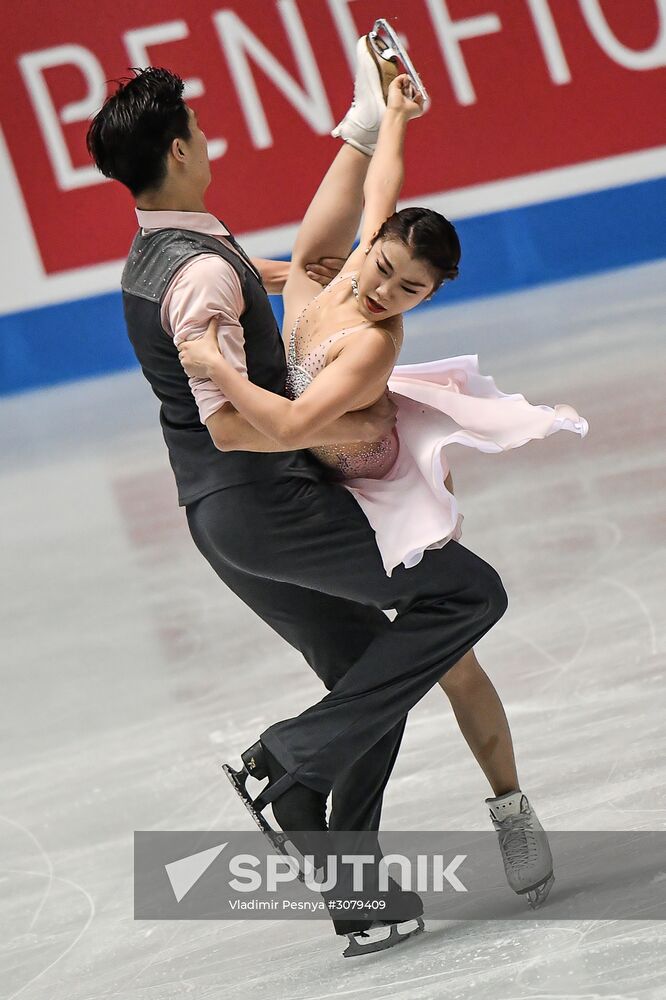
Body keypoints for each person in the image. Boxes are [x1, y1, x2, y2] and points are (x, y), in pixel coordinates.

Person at [86, 32, 543, 957]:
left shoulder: (165, 256)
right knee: (467, 595)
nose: (209, 138)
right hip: (266, 504)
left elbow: (363, 198)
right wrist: (341, 430)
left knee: (369, 678)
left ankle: (351, 881)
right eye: (200, 130)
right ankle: (288, 758)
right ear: (178, 150)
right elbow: (229, 423)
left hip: (225, 520)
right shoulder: (204, 275)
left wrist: (382, 107)